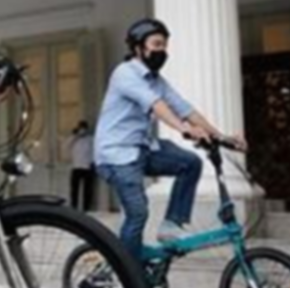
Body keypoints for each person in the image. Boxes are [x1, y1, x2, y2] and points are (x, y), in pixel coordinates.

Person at [94, 18, 246, 261]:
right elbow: (157, 106)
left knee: (190, 162)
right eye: (156, 44)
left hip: (142, 149)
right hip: (117, 156)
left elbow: (185, 108)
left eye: (164, 46)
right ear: (138, 48)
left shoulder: (157, 80)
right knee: (137, 213)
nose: (162, 51)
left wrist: (221, 136)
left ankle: (170, 225)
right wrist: (185, 129)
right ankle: (128, 274)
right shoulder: (125, 73)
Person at [67, 120, 96, 210]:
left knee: (87, 190)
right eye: (81, 129)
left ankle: (86, 208)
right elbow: (66, 145)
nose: (82, 131)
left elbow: (94, 151)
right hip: (76, 166)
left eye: (84, 129)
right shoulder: (74, 139)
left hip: (87, 167)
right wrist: (75, 135)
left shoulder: (90, 139)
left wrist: (93, 162)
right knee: (74, 189)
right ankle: (74, 207)